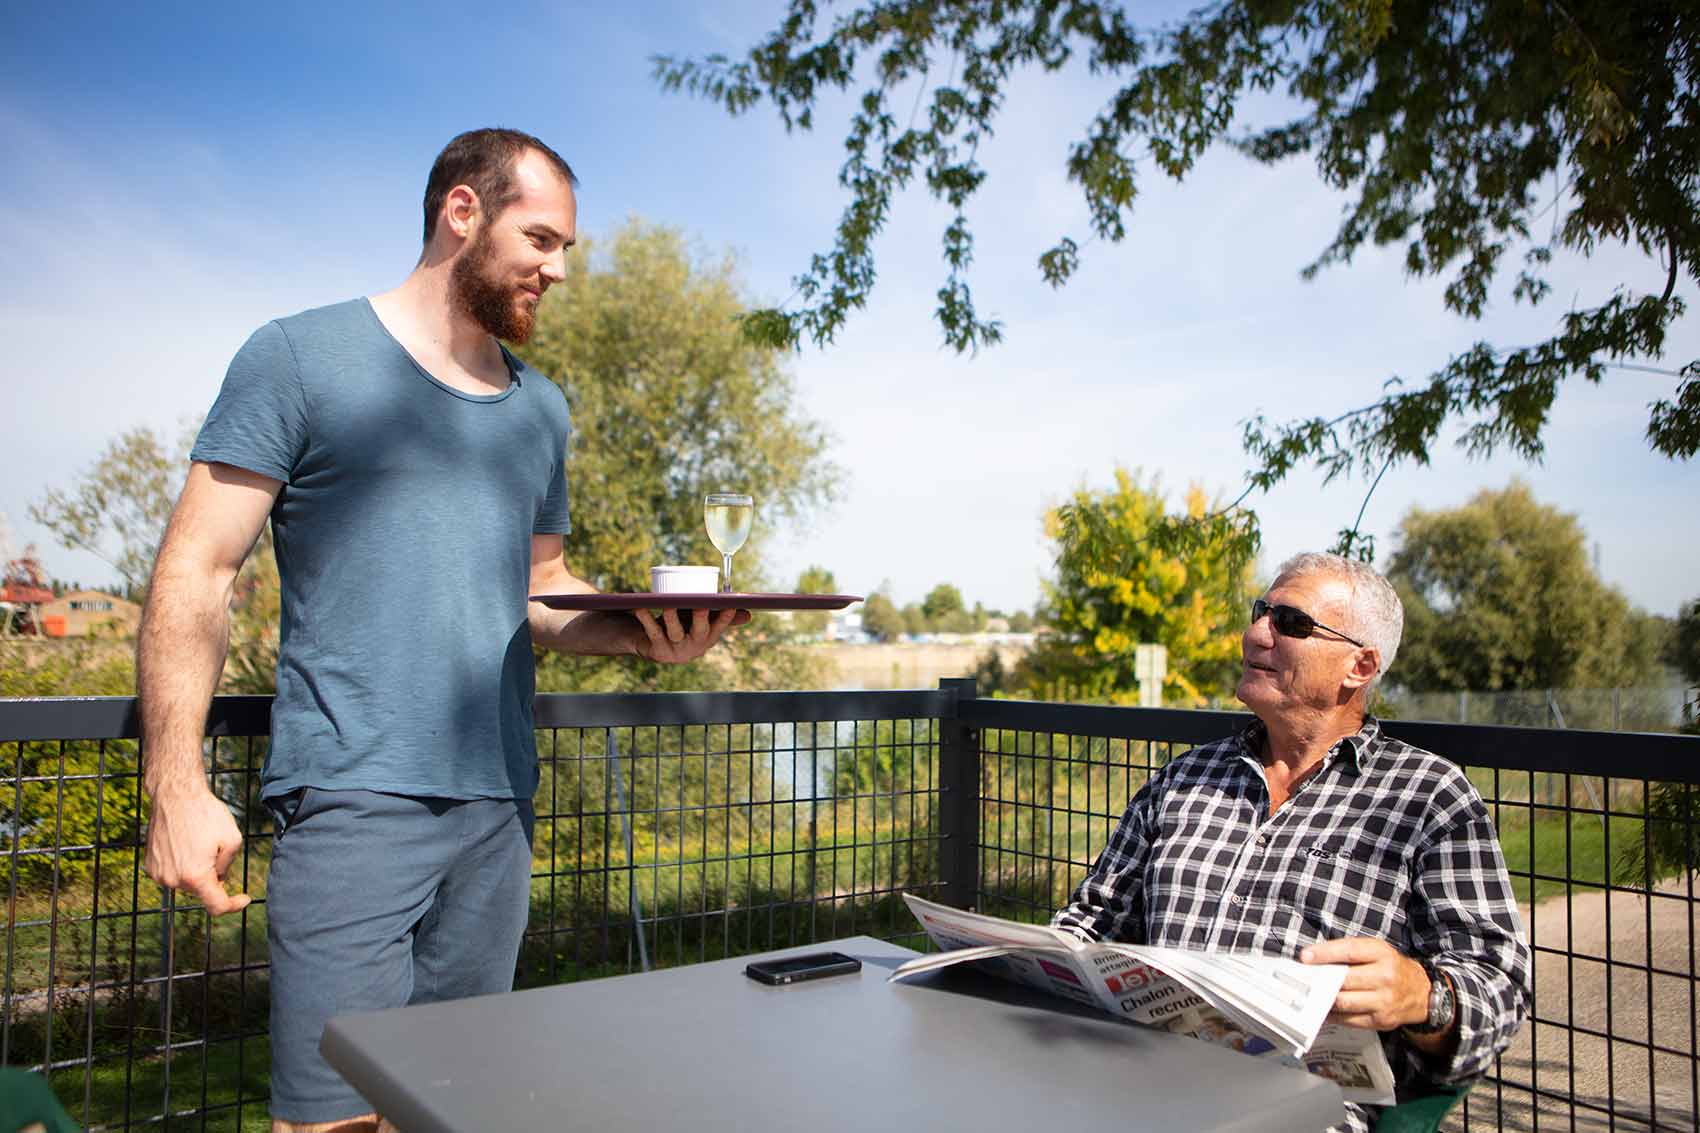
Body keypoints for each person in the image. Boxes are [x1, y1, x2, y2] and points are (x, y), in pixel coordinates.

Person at [136, 128, 743, 1133]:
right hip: (352, 801)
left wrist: (646, 632)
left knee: (460, 1110)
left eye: (564, 252)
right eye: (540, 240)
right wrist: (176, 780)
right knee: (334, 1119)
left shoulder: (539, 409)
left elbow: (539, 591)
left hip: (498, 810)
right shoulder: (297, 356)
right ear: (462, 211)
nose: (555, 269)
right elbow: (193, 574)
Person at [1052, 552, 1530, 1133]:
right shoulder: (1184, 779)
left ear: (1360, 666)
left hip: (1295, 1113)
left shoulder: (1427, 797)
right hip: (1138, 1085)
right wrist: (1024, 959)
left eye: (1291, 624)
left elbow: (1500, 987)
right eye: (1261, 614)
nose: (1256, 634)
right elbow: (1090, 924)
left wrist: (1424, 996)